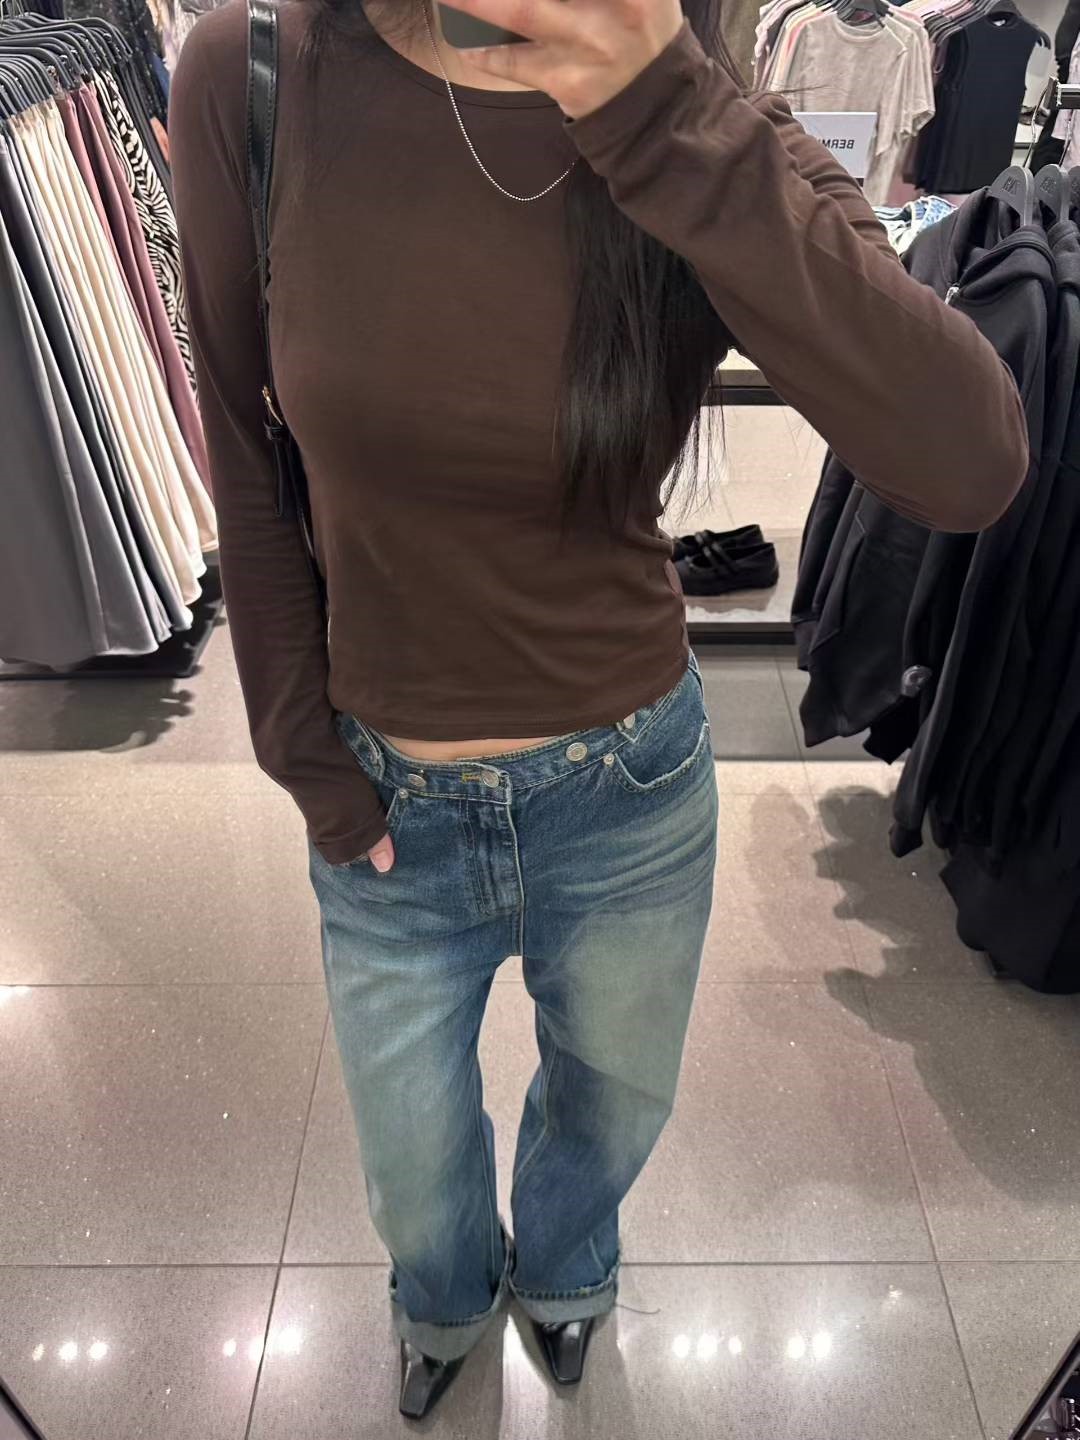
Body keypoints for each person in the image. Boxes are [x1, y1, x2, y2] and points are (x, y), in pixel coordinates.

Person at [170, 0, 1026, 1418]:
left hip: (626, 787)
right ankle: (444, 1302)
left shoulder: (705, 119)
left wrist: (667, 117)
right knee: (410, 1169)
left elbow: (971, 459)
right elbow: (244, 444)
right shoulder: (257, 76)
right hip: (384, 797)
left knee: (611, 1106)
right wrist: (302, 752)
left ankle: (568, 1278)